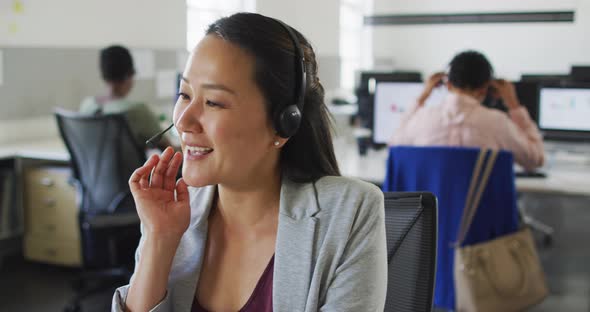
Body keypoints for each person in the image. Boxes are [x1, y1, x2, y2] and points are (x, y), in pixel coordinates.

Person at [112, 13, 387, 312]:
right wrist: (159, 239)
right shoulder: (174, 214)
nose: (183, 120)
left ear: (283, 123)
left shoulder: (348, 214)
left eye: (213, 102)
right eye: (184, 94)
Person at [389, 50, 544, 171]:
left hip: (432, 212)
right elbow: (535, 159)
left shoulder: (421, 119)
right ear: (485, 88)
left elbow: (394, 147)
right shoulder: (497, 123)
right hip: (482, 212)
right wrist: (513, 104)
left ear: (447, 84)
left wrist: (423, 96)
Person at [80, 45, 170, 150]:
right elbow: (168, 149)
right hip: (133, 167)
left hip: (90, 167)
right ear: (129, 74)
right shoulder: (137, 110)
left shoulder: (87, 105)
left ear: (103, 74)